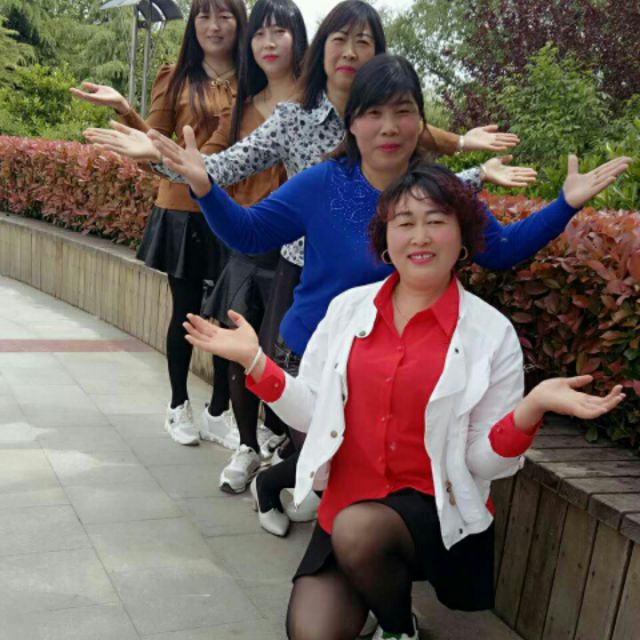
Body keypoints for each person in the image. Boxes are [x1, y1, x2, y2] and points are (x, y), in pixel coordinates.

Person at [152, 53, 630, 540]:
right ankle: (318, 527)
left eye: (403, 111)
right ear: (352, 122)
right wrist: (204, 187)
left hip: (405, 363)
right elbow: (251, 232)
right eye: (373, 113)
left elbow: (500, 249)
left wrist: (564, 205)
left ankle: (306, 513)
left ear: (420, 122)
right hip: (315, 353)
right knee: (340, 461)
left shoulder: (440, 192)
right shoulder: (322, 183)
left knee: (371, 471)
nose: (389, 127)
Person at [181, 162, 624, 640]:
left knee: (359, 530)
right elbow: (311, 411)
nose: (420, 237)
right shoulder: (348, 310)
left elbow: (483, 462)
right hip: (349, 502)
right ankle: (396, 614)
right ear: (385, 237)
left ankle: (396, 631)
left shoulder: (489, 334)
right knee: (311, 631)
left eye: (436, 221)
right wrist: (255, 362)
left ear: (463, 236)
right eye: (405, 222)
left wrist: (529, 410)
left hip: (436, 509)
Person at [82, 0, 528, 456]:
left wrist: (475, 163)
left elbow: (426, 183)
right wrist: (172, 164)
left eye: (363, 42)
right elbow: (218, 169)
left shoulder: (390, 118)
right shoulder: (295, 121)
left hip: (383, 287)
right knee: (289, 386)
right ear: (321, 50)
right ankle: (256, 454)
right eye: (339, 40)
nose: (350, 52)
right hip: (301, 265)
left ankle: (293, 468)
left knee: (357, 417)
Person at [73, 0, 247, 446]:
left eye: (224, 15)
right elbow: (150, 147)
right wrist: (125, 109)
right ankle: (177, 406)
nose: (213, 25)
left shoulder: (254, 81)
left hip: (233, 212)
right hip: (182, 211)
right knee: (185, 312)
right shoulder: (177, 76)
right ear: (193, 23)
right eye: (204, 15)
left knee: (231, 317)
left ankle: (218, 412)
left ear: (240, 22)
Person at [199, 0, 309, 493]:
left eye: (280, 32)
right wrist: (151, 145)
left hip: (300, 254)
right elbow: (204, 162)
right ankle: (247, 446)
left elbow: (392, 126)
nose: (268, 42)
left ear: (299, 40)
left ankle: (292, 453)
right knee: (239, 350)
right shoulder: (241, 105)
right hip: (248, 245)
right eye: (260, 33)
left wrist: (460, 147)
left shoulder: (322, 104)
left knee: (291, 356)